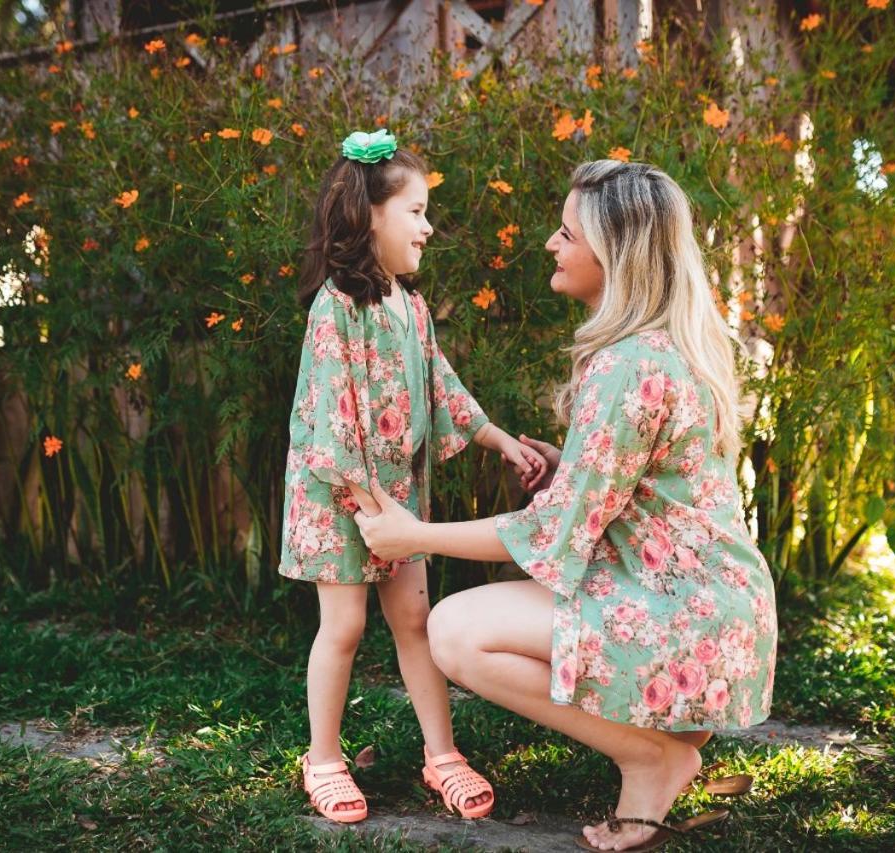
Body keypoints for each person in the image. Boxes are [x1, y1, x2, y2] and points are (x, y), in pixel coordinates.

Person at [355, 160, 777, 851]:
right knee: (476, 621)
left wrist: (413, 534)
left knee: (454, 628)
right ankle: (662, 743)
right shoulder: (665, 347)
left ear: (614, 252)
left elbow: (550, 535)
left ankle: (653, 757)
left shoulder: (627, 365)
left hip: (678, 617)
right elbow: (646, 489)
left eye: (566, 233)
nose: (551, 245)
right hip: (714, 612)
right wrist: (569, 468)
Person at [279, 128, 548, 824]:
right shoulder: (336, 308)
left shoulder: (411, 306)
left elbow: (442, 389)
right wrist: (375, 515)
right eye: (418, 210)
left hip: (396, 498)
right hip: (344, 497)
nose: (429, 227)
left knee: (414, 622)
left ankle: (441, 754)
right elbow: (330, 422)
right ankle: (324, 758)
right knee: (342, 625)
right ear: (370, 215)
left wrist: (499, 442)